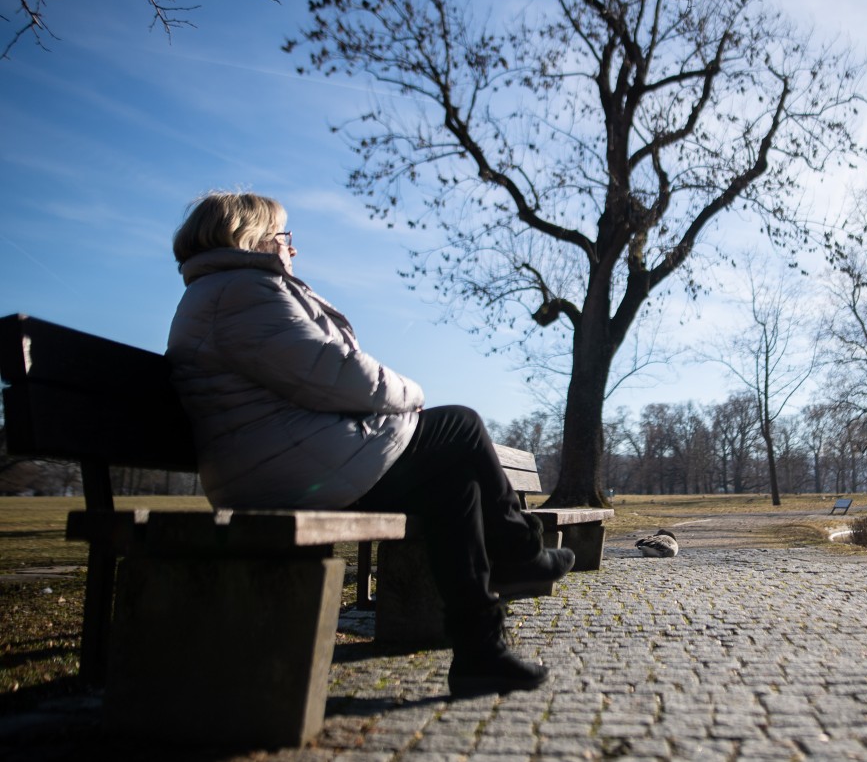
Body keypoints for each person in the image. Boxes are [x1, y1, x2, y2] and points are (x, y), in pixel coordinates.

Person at [165, 190, 573, 697]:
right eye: (284, 236)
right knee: (461, 424)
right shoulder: (241, 293)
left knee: (454, 486)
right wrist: (412, 395)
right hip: (283, 472)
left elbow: (311, 379)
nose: (291, 248)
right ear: (252, 237)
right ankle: (518, 552)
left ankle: (480, 652)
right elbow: (334, 373)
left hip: (284, 462)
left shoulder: (227, 292)